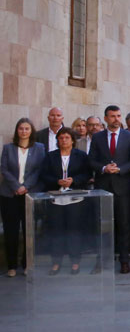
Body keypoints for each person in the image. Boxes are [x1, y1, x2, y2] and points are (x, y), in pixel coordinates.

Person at [89, 105, 130, 274]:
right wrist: (103, 168)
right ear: (106, 118)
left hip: (123, 188)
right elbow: (91, 161)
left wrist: (121, 169)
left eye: (118, 115)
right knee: (102, 225)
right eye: (112, 116)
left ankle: (124, 260)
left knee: (124, 225)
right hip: (103, 187)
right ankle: (101, 261)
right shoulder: (97, 138)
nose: (116, 119)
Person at [40, 127, 90, 275]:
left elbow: (86, 174)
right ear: (57, 141)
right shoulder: (50, 156)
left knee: (74, 231)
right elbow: (43, 175)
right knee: (56, 231)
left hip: (75, 199)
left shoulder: (81, 156)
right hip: (56, 200)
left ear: (72, 140)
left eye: (67, 138)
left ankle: (75, 262)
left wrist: (73, 181)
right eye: (61, 138)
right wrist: (57, 181)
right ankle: (56, 262)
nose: (64, 140)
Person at [1, 118, 46, 277]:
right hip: (9, 195)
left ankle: (27, 265)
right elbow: (4, 170)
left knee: (29, 231)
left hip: (29, 194)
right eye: (21, 128)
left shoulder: (40, 148)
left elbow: (39, 170)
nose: (24, 131)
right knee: (11, 231)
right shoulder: (8, 148)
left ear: (31, 131)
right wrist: (16, 187)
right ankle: (12, 266)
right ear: (17, 131)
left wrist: (25, 187)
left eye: (27, 128)